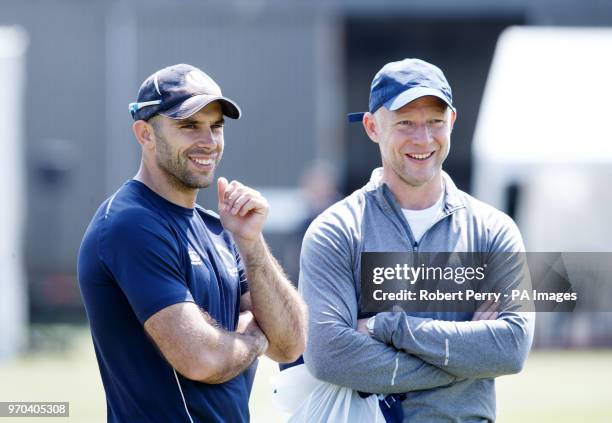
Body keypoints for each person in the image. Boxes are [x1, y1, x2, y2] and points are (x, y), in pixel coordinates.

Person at [299, 58, 534, 422]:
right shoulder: (336, 230)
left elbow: (511, 348)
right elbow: (329, 354)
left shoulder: (493, 230)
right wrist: (465, 359)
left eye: (435, 122)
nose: (423, 139)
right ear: (372, 126)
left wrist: (385, 327)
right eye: (405, 122)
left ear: (452, 122)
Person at [77, 63, 307, 423]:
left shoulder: (219, 229)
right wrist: (254, 339)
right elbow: (201, 359)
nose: (208, 141)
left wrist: (251, 242)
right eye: (189, 126)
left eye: (216, 126)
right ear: (145, 134)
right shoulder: (130, 223)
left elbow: (290, 343)